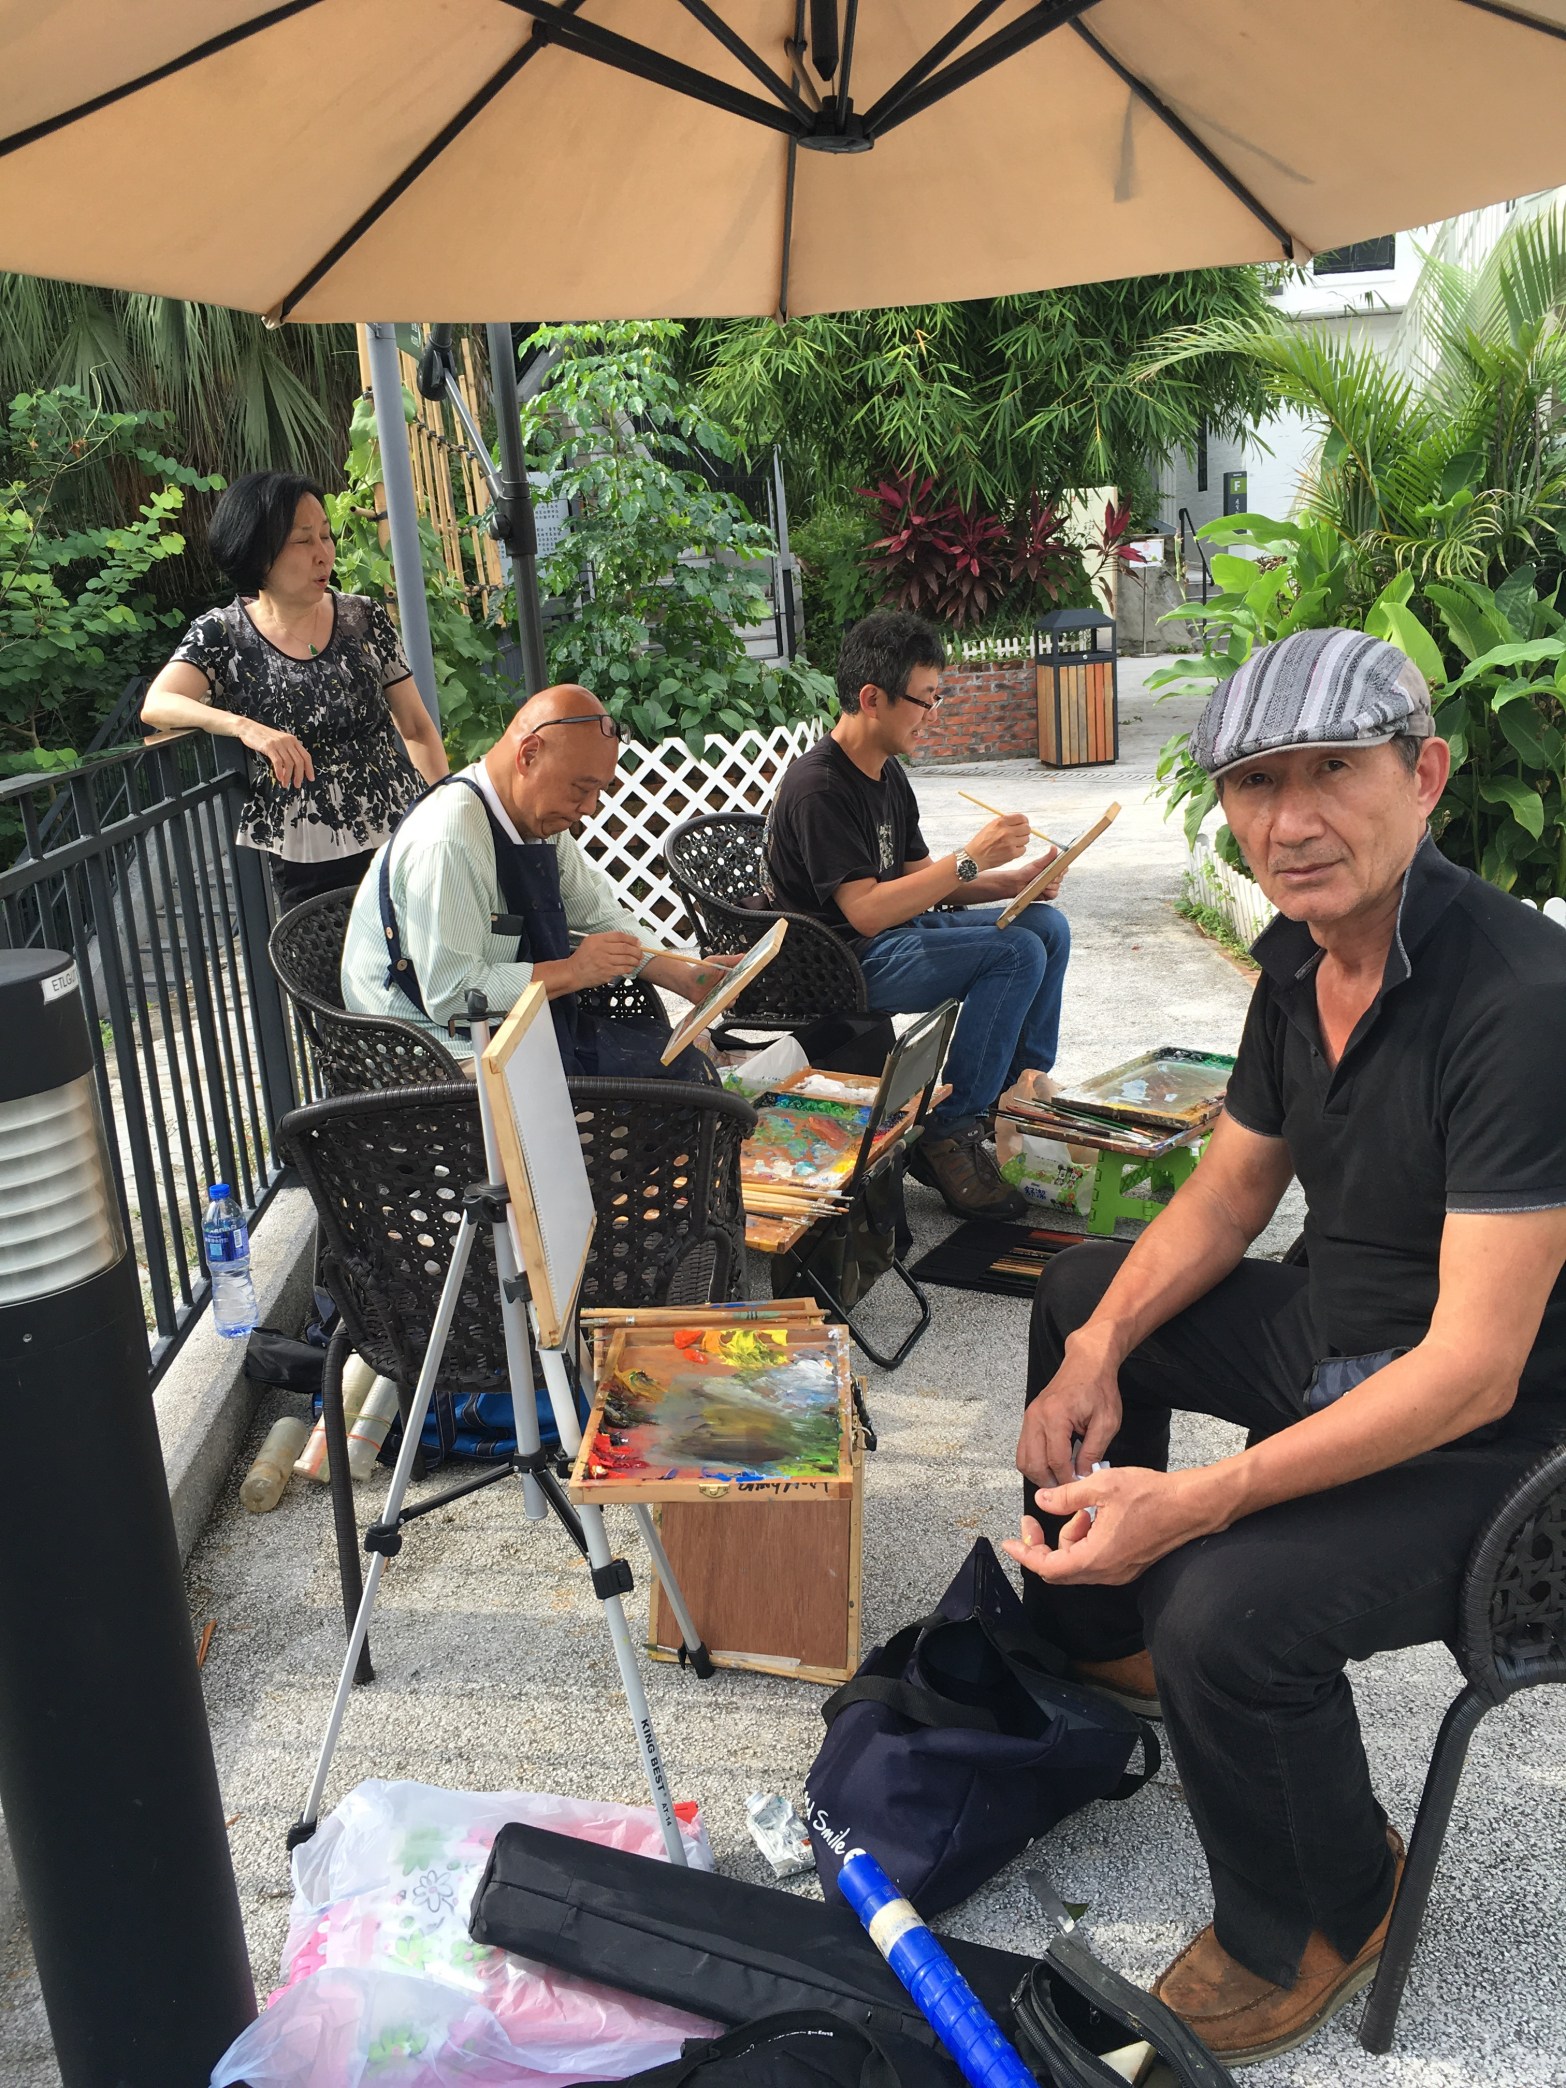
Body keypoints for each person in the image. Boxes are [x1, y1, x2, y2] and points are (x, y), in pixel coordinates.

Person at [1007, 627, 1566, 2065]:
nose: (1291, 819)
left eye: (1332, 772)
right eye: (1257, 783)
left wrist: (1202, 1499)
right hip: (1343, 1334)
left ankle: (1324, 1905)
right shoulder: (1297, 965)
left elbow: (1476, 1368)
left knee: (1221, 1598)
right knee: (1080, 1293)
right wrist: (1099, 1350)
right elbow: (1227, 1194)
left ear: (1423, 775)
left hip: (1514, 1450)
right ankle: (1103, 1639)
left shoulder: (1521, 1002)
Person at [762, 609, 1069, 1220]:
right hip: (838, 961)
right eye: (925, 699)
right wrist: (971, 858)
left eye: (936, 697)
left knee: (1045, 927)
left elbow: (921, 881)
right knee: (1014, 953)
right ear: (872, 698)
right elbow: (866, 912)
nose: (934, 714)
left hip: (888, 935)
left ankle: (1012, 1095)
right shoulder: (821, 787)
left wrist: (1014, 883)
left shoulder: (886, 772)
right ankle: (947, 1131)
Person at [341, 684, 737, 1077]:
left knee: (679, 1063)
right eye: (581, 788)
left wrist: (684, 976)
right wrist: (574, 971)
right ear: (529, 754)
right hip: (432, 1054)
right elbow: (453, 995)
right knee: (672, 1085)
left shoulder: (536, 820)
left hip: (511, 1028)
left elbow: (597, 916)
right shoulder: (449, 838)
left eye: (599, 791)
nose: (589, 808)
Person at [141, 470, 448, 912]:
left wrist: (443, 816)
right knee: (322, 956)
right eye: (303, 541)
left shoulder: (364, 618)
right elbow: (158, 704)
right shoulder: (224, 633)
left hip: (399, 832)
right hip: (306, 852)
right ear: (257, 552)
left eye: (325, 535)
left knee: (415, 951)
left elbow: (415, 727)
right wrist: (245, 728)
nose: (324, 554)